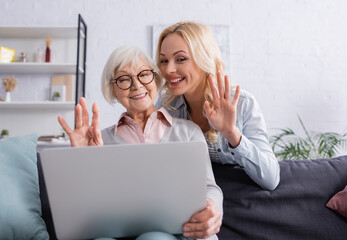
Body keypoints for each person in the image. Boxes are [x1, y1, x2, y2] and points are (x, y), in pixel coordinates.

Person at [58, 46, 223, 240]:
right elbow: (81, 210)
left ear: (156, 79)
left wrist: (212, 207)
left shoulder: (188, 131)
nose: (136, 85)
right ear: (113, 90)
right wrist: (81, 159)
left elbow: (208, 186)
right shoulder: (98, 141)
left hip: (181, 232)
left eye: (144, 74)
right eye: (124, 79)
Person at [155, 21, 280, 191]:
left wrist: (232, 134)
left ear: (203, 59)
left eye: (181, 59)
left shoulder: (243, 103)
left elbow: (271, 178)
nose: (168, 69)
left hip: (241, 200)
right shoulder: (166, 106)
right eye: (163, 60)